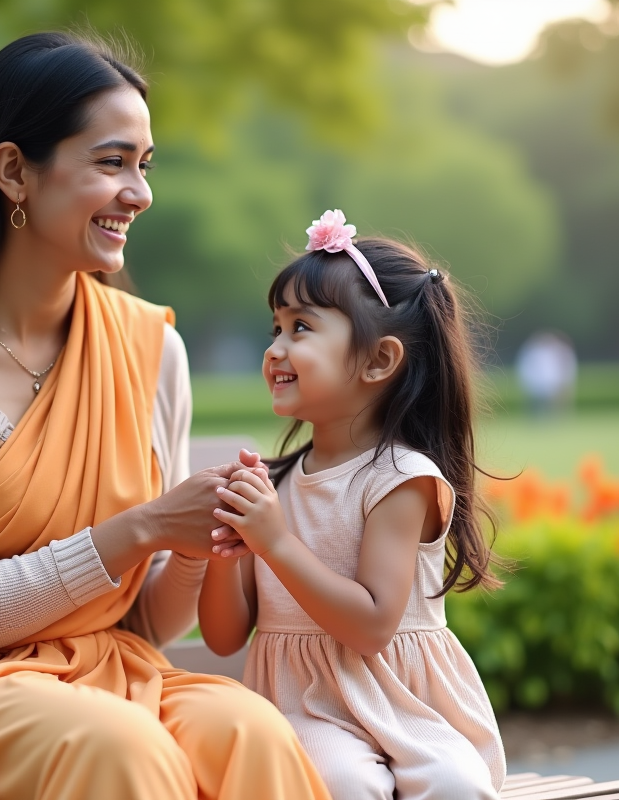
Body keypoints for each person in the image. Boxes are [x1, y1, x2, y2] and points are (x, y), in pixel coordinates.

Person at [0, 32, 329, 800]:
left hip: (113, 671)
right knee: (118, 750)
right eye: (111, 162)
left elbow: (150, 627)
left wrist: (194, 542)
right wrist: (145, 527)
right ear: (15, 171)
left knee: (249, 731)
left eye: (145, 166)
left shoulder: (152, 349)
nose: (140, 193)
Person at [198, 211, 506, 800]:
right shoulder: (275, 482)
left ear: (378, 360)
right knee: (341, 782)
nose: (276, 349)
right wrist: (223, 549)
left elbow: (370, 625)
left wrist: (276, 543)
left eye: (301, 328)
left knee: (455, 785)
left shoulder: (400, 479)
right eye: (275, 329)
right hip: (305, 708)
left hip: (408, 703)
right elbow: (223, 635)